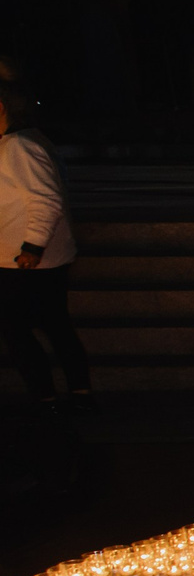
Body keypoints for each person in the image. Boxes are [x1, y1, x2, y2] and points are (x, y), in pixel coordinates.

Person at [0, 84, 91, 412]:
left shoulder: (19, 146)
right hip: (38, 256)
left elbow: (45, 200)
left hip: (25, 261)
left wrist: (32, 246)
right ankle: (79, 394)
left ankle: (45, 397)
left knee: (17, 330)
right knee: (54, 325)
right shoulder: (26, 141)